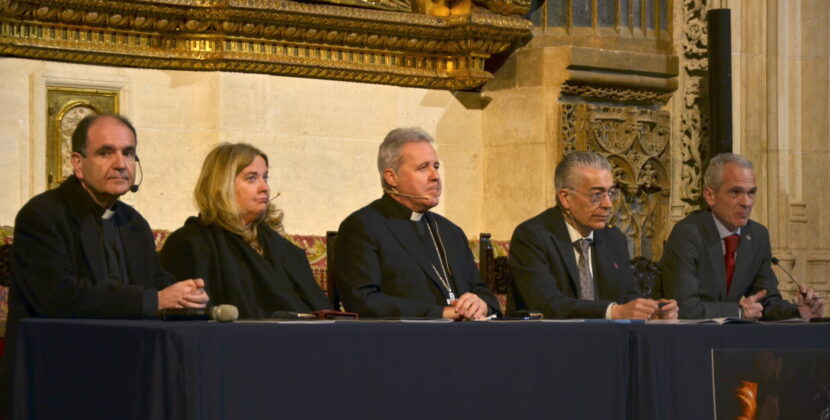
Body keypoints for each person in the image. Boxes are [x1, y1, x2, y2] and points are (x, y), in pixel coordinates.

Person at [3, 114, 210, 412]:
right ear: (77, 163)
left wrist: (189, 295)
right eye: (105, 152)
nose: (121, 163)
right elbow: (58, 297)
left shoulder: (133, 223)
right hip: (59, 372)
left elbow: (156, 280)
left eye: (128, 153)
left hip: (129, 368)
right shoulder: (42, 215)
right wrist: (155, 300)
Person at [334, 127, 499, 320]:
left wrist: (481, 305)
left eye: (436, 166)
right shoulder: (362, 227)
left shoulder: (450, 231)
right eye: (423, 167)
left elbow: (481, 291)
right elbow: (363, 300)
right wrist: (440, 313)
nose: (435, 176)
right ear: (391, 177)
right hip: (403, 340)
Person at [160, 143, 332, 318]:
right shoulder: (191, 243)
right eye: (252, 178)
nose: (264, 187)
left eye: (265, 177)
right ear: (221, 185)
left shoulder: (281, 247)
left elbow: (320, 309)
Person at [508, 151, 678, 319]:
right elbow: (546, 304)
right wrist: (612, 312)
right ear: (565, 198)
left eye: (611, 193)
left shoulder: (613, 238)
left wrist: (651, 310)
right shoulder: (532, 236)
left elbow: (627, 297)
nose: (608, 204)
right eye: (597, 195)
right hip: (549, 341)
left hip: (607, 340)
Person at [660, 153, 823, 320]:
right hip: (687, 338)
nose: (747, 202)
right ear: (710, 195)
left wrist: (798, 312)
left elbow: (766, 301)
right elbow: (682, 307)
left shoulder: (757, 235)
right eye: (735, 192)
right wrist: (737, 312)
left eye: (751, 193)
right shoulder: (688, 234)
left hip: (732, 340)